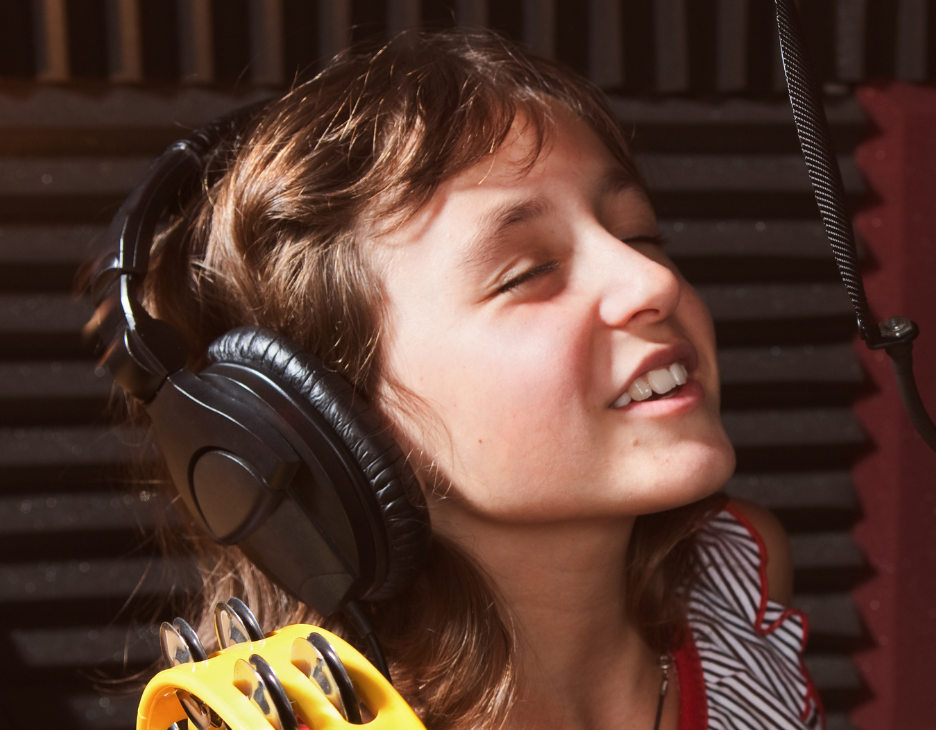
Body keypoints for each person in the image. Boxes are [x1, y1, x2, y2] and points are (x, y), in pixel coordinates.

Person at [113, 28, 819, 730]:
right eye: (529, 271)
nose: (652, 279)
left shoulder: (743, 577)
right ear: (340, 421)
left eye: (639, 233)